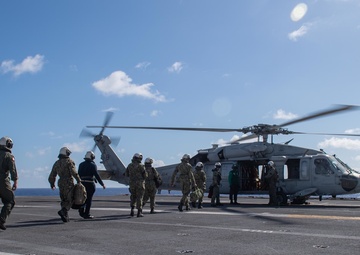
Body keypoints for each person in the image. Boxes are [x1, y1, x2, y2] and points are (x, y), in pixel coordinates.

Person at [49, 147, 81, 222]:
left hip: (61, 182)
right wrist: (78, 180)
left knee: (63, 199)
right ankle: (64, 211)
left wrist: (52, 184)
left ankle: (65, 216)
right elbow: (74, 172)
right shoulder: (69, 162)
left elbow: (52, 175)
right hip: (68, 182)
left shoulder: (57, 163)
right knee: (70, 199)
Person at [78, 151, 106, 219]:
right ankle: (87, 214)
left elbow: (78, 174)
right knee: (89, 199)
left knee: (82, 198)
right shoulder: (93, 165)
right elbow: (96, 175)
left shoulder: (81, 164)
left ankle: (81, 210)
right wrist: (102, 184)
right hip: (90, 183)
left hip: (82, 183)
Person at [0, 136, 18, 231]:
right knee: (10, 201)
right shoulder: (9, 156)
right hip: (3, 181)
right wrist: (15, 181)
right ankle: (1, 219)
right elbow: (13, 170)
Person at [125, 153, 147, 217]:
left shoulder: (129, 165)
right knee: (139, 197)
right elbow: (145, 175)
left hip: (132, 184)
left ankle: (132, 210)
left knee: (133, 197)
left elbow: (126, 174)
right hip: (140, 184)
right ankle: (139, 212)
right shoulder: (141, 166)